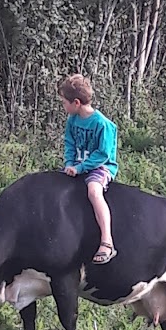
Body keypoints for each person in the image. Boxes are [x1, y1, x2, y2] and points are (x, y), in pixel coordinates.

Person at [58, 73, 118, 264]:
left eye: (64, 102)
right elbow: (69, 144)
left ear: (76, 102)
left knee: (93, 191)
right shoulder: (72, 121)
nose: (63, 107)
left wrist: (81, 167)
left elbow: (103, 154)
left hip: (100, 167)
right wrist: (69, 164)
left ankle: (107, 241)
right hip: (77, 167)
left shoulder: (102, 124)